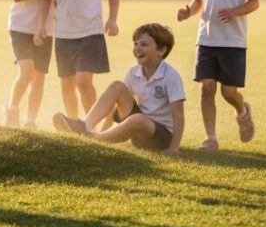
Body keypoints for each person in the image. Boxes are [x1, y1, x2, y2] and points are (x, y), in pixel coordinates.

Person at [177, 0, 259, 151]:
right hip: (206, 40)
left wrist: (235, 11)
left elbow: (254, 2)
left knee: (228, 92)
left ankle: (242, 111)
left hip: (233, 42)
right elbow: (197, 2)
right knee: (206, 88)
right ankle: (210, 138)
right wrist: (187, 11)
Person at [54, 23, 185, 154]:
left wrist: (173, 148)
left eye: (144, 44)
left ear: (161, 50)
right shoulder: (133, 72)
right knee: (117, 86)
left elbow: (179, 116)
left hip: (161, 137)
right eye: (136, 44)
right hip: (138, 132)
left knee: (138, 119)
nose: (137, 48)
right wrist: (105, 128)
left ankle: (94, 139)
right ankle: (84, 126)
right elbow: (118, 105)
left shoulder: (170, 76)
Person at [4, 0, 57, 129]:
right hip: (20, 27)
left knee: (39, 77)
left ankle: (30, 121)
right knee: (26, 72)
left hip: (46, 29)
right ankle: (12, 108)